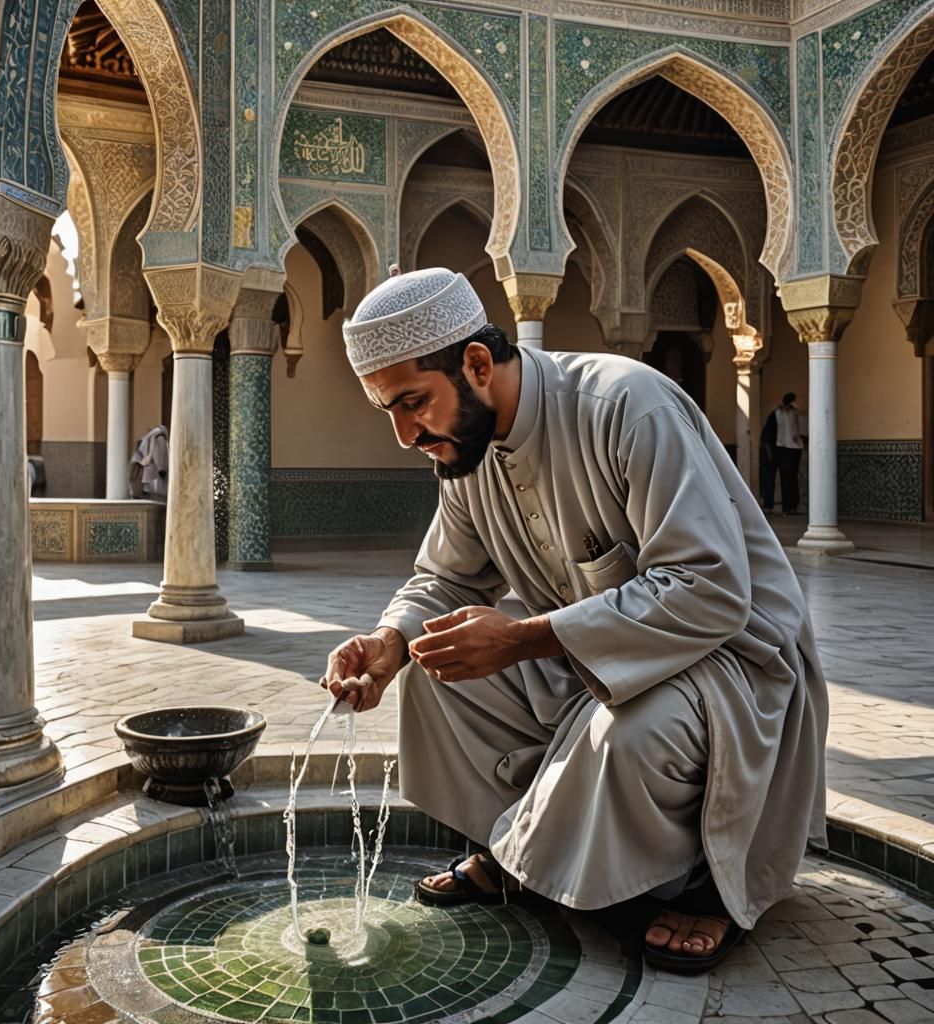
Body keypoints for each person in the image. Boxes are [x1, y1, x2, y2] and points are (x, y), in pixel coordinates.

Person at [320, 268, 827, 973]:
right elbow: (444, 577)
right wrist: (390, 642)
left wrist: (525, 637)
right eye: (389, 412)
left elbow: (710, 588)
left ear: (474, 364)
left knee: (633, 734)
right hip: (592, 663)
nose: (406, 434)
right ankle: (516, 854)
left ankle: (713, 887)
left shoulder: (625, 404)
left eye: (413, 403)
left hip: (729, 665)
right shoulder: (466, 456)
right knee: (438, 669)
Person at [760, 392, 804, 514]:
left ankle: (790, 506)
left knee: (789, 479)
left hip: (791, 449)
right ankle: (769, 505)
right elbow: (768, 433)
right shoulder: (776, 413)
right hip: (777, 448)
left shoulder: (795, 414)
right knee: (771, 478)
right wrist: (769, 451)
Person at [129, 424, 169, 500]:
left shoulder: (145, 438)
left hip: (143, 477)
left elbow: (137, 456)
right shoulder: (159, 437)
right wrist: (162, 469)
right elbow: (160, 457)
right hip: (153, 477)